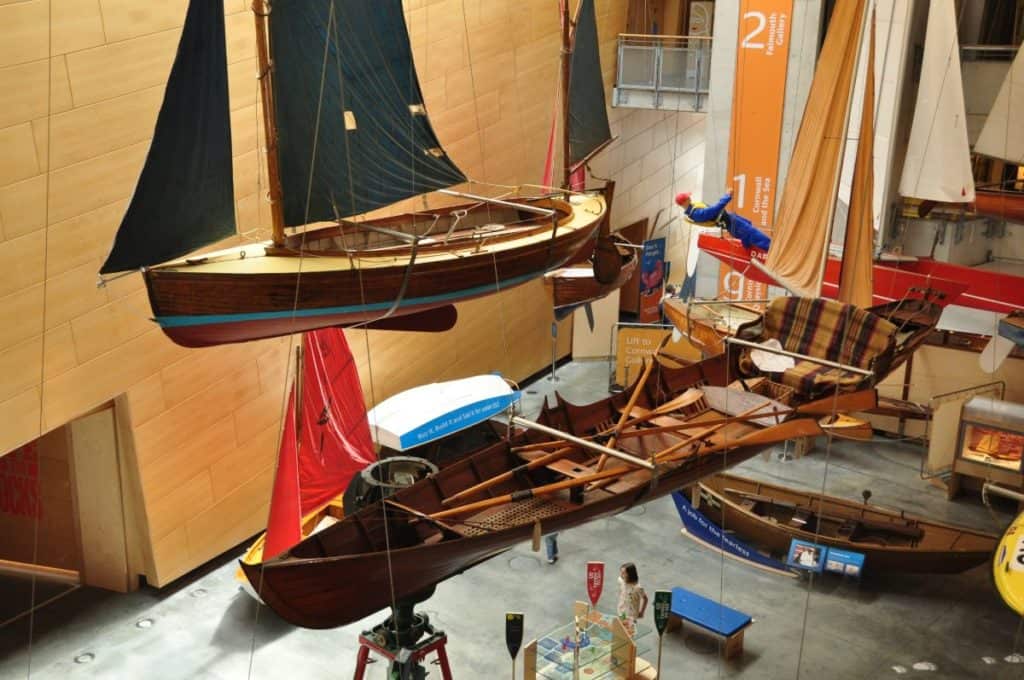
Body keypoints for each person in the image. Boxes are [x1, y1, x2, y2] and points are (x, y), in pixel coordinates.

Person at [675, 190, 772, 251]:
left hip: (731, 219)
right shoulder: (695, 214)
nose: (690, 197)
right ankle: (773, 250)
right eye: (688, 197)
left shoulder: (693, 208)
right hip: (731, 224)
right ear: (685, 202)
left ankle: (755, 246)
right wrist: (727, 196)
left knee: (750, 230)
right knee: (753, 235)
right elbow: (713, 210)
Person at [616, 562, 648, 626]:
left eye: (623, 573)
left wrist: (642, 612)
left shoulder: (638, 588)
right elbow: (621, 591)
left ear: (630, 574)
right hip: (621, 612)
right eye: (621, 572)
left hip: (631, 616)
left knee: (629, 632)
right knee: (621, 629)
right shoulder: (621, 580)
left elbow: (645, 599)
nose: (621, 574)